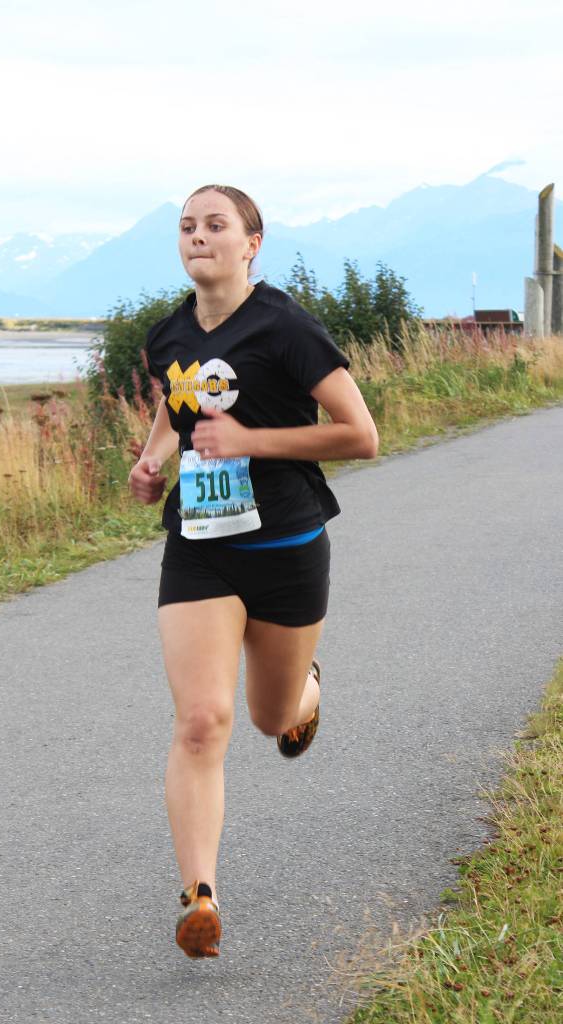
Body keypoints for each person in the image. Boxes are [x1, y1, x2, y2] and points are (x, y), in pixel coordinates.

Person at [128, 184, 378, 959]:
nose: (198, 236)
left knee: (270, 719)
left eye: (215, 225)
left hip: (286, 548)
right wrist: (152, 455)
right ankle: (198, 894)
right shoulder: (168, 333)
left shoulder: (286, 326)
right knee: (202, 720)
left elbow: (359, 436)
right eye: (186, 227)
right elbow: (181, 403)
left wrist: (251, 442)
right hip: (199, 548)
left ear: (251, 243)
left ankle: (305, 689)